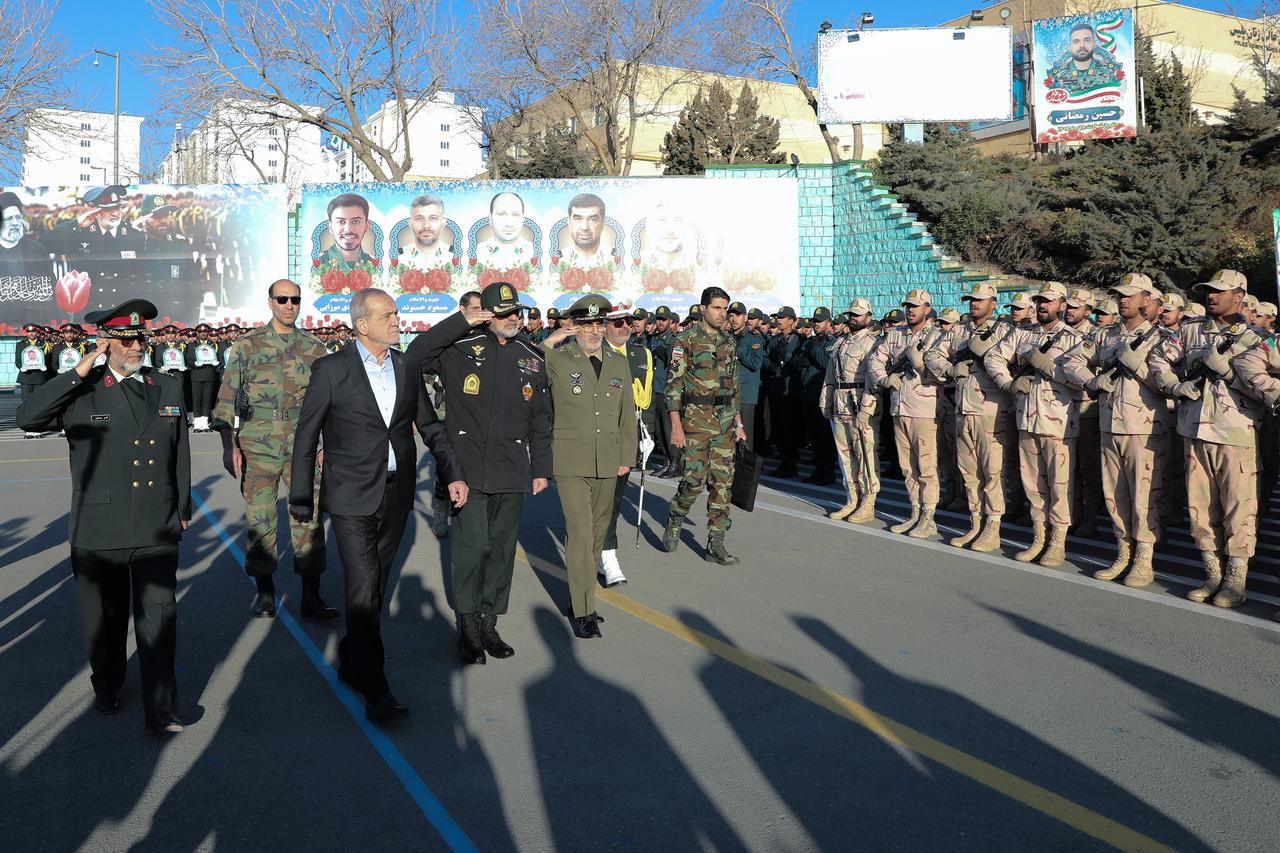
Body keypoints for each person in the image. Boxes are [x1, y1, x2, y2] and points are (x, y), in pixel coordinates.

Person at [289, 288, 467, 723]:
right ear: (362, 324)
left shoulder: (406, 366)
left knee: (376, 584)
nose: (396, 320)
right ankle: (377, 687)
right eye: (387, 314)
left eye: (396, 313)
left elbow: (429, 425)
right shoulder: (331, 369)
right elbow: (307, 437)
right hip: (350, 495)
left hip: (396, 492)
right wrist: (299, 495)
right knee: (364, 583)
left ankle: (352, 657)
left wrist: (453, 471)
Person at [17, 299, 190, 733]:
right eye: (127, 339)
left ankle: (162, 707)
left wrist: (181, 507)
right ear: (105, 342)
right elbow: (28, 418)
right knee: (105, 621)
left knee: (160, 617)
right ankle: (107, 684)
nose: (136, 346)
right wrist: (77, 372)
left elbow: (179, 452)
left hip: (155, 524)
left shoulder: (165, 386)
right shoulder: (83, 389)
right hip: (100, 530)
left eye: (141, 337)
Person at [404, 281, 551, 664]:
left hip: (512, 469)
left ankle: (489, 624)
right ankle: (467, 628)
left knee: (501, 552)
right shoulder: (460, 350)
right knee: (472, 550)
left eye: (516, 312)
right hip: (466, 470)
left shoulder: (532, 357)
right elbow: (414, 357)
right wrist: (460, 321)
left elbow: (540, 420)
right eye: (503, 313)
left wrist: (542, 468)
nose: (512, 319)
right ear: (487, 315)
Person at [213, 279, 335, 619]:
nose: (289, 305)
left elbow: (328, 402)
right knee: (261, 518)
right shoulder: (247, 346)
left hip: (303, 443)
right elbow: (226, 399)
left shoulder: (314, 347)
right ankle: (265, 591)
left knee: (307, 518)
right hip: (258, 441)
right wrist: (229, 445)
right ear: (270, 302)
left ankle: (311, 595)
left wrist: (327, 443)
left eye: (295, 299)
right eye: (282, 299)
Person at [1148, 270, 1265, 608]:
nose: (1211, 297)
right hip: (1194, 429)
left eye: (1219, 292)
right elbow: (1158, 359)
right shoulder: (1190, 331)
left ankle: (1235, 579)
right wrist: (1174, 386)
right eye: (1207, 292)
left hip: (1235, 431)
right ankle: (1212, 572)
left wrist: (1232, 375)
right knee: (1201, 508)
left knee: (1238, 507)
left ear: (1239, 296)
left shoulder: (1258, 339)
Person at [1064, 274, 1170, 587]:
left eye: (1130, 295)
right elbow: (1072, 360)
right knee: (1115, 495)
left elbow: (1169, 384)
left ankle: (1144, 559)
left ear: (1146, 300)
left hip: (1144, 427)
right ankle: (1123, 552)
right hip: (1109, 424)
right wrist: (1091, 381)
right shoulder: (1105, 335)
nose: (1123, 300)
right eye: (1119, 295)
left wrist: (1138, 366)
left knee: (1144, 496)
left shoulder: (1162, 338)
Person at [547, 295, 637, 635]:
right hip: (571, 459)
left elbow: (626, 412)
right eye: (586, 325)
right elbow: (524, 363)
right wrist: (551, 339)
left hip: (609, 459)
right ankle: (584, 610)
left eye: (599, 324)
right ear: (575, 327)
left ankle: (578, 593)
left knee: (598, 533)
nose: (594, 331)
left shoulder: (617, 362)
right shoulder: (559, 358)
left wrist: (627, 457)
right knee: (581, 535)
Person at [985, 282, 1088, 566]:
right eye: (1040, 301)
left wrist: (1050, 368)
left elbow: (1084, 377)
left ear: (1063, 305)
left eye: (1049, 301)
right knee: (1033, 485)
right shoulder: (1023, 334)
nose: (1043, 306)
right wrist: (1007, 382)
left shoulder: (1073, 338)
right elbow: (993, 356)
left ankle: (1057, 543)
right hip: (1027, 419)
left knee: (1060, 486)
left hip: (1059, 424)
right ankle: (1038, 538)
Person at [923, 283, 1014, 551]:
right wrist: (951, 369)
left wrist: (987, 357)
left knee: (993, 473)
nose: (974, 304)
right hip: (962, 409)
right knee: (970, 472)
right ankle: (975, 523)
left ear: (993, 303)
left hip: (991, 411)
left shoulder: (1006, 331)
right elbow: (931, 355)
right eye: (971, 300)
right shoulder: (960, 330)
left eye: (980, 300)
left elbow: (1015, 363)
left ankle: (993, 527)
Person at [661, 287, 746, 564]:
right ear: (703, 308)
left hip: (724, 422)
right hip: (696, 420)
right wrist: (676, 426)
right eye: (718, 308)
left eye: (726, 309)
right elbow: (673, 386)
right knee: (693, 482)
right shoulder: (684, 340)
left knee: (723, 483)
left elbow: (734, 387)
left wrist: (739, 422)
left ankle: (716, 543)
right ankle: (676, 515)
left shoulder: (729, 342)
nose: (723, 314)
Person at [865, 289, 944, 538]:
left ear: (927, 309)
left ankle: (928, 517)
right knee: (908, 466)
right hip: (899, 407)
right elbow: (875, 360)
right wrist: (886, 379)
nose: (911, 310)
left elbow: (944, 374)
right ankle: (915, 511)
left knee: (926, 467)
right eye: (908, 306)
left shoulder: (937, 336)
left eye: (916, 306)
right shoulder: (896, 334)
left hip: (925, 409)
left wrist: (921, 365)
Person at [599, 304, 655, 587]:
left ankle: (607, 555)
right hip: (597, 435)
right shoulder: (592, 350)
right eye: (618, 322)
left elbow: (647, 401)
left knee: (615, 498)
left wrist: (648, 434)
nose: (625, 327)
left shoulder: (641, 354)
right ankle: (598, 553)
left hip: (627, 434)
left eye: (629, 322)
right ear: (605, 325)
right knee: (593, 502)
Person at [822, 298, 880, 523]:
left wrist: (867, 407)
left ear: (868, 317)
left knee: (865, 454)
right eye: (851, 314)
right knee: (845, 456)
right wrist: (825, 398)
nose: (853, 317)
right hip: (840, 402)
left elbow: (874, 380)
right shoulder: (842, 342)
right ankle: (852, 498)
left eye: (858, 314)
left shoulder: (871, 343)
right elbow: (831, 374)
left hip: (860, 402)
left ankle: (868, 501)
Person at [1063, 286, 1103, 536]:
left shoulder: (1096, 335)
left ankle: (1090, 517)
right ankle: (1072, 514)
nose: (1069, 310)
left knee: (1088, 467)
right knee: (1068, 467)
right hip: (1063, 408)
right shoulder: (1060, 333)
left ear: (1088, 311)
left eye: (1075, 307)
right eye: (1067, 306)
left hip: (1087, 407)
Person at [794, 307, 837, 484]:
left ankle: (828, 472)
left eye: (820, 321)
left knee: (824, 436)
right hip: (807, 395)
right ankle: (818, 469)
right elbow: (796, 361)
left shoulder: (831, 342)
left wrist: (814, 351)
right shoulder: (809, 342)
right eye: (815, 321)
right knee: (814, 436)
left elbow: (827, 363)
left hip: (822, 396)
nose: (816, 324)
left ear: (828, 323)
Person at [766, 306, 804, 477]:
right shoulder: (777, 339)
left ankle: (790, 465)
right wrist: (773, 367)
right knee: (779, 429)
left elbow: (795, 362)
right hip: (776, 388)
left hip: (790, 390)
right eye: (778, 318)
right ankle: (784, 463)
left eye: (782, 318)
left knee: (789, 430)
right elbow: (766, 357)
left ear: (791, 321)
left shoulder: (798, 340)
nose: (778, 321)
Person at [728, 301, 766, 453]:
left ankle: (747, 473)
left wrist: (738, 350)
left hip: (745, 394)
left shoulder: (753, 338)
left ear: (745, 317)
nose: (734, 319)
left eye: (737, 315)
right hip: (728, 393)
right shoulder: (726, 337)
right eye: (731, 315)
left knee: (745, 437)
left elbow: (755, 364)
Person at [476, 191, 535, 268]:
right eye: (501, 214)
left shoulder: (534, 251)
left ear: (523, 219)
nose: (509, 224)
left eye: (515, 214)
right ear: (490, 219)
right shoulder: (477, 252)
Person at [319, 193, 374, 270]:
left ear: (367, 226)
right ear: (331, 227)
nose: (348, 229)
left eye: (355, 221)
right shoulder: (317, 264)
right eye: (341, 221)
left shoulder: (375, 266)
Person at [15, 323, 51, 437]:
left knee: (38, 404)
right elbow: (17, 360)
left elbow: (50, 360)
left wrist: (46, 367)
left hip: (39, 378)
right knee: (26, 403)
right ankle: (28, 428)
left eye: (33, 331)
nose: (31, 333)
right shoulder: (20, 344)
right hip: (26, 377)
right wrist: (21, 367)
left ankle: (37, 428)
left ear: (37, 333)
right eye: (29, 332)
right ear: (26, 333)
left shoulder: (44, 345)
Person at [399, 194, 454, 269]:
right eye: (419, 218)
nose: (426, 226)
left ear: (443, 223)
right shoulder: (398, 257)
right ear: (410, 223)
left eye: (433, 218)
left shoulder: (456, 255)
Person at [185, 323, 220, 432]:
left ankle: (205, 423)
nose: (203, 334)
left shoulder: (212, 344)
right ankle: (197, 424)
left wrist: (215, 363)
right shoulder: (192, 345)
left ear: (208, 333)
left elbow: (217, 357)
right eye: (200, 332)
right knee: (196, 399)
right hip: (196, 375)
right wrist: (196, 364)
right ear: (197, 333)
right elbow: (189, 361)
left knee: (207, 399)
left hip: (209, 375)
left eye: (205, 332)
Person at [560, 193, 610, 267]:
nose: (585, 227)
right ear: (569, 222)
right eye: (578, 219)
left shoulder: (616, 259)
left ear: (602, 222)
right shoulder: (556, 260)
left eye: (592, 220)